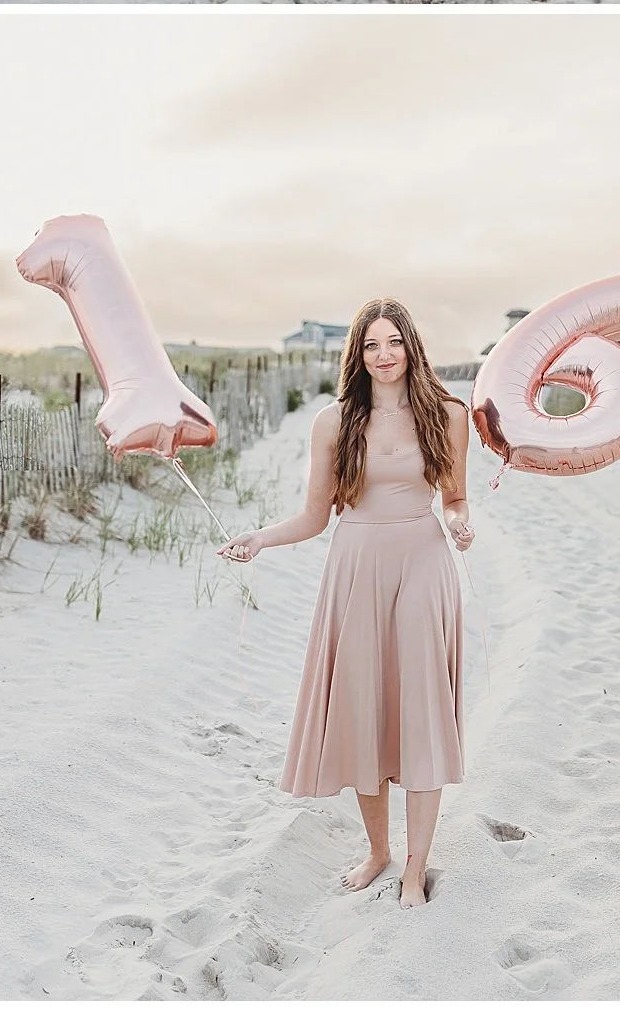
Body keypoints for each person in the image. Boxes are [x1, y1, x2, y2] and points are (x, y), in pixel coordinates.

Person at [217, 299, 473, 908]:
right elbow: (314, 517)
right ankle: (379, 852)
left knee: (422, 718)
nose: (384, 356)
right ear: (356, 355)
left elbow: (456, 498)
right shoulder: (334, 423)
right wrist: (260, 538)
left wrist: (461, 522)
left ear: (411, 346)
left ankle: (415, 870)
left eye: (393, 342)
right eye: (371, 346)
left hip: (423, 563)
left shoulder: (447, 415)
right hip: (356, 569)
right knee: (365, 718)